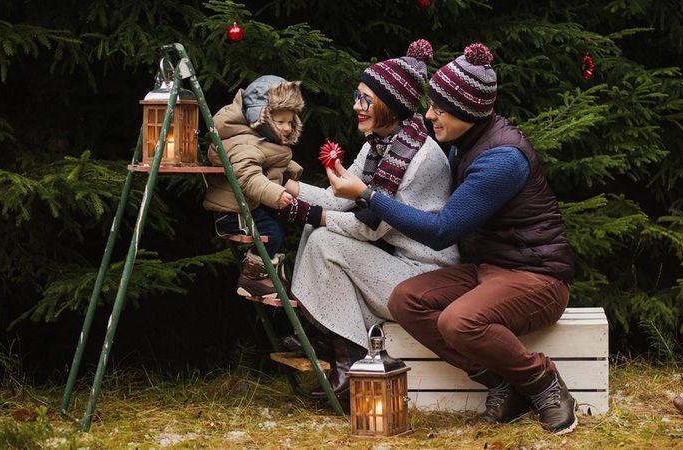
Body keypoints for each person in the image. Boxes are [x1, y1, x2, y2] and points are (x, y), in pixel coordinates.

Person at [325, 42, 578, 434]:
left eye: (438, 108)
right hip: (488, 270)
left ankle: (544, 384)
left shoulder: (502, 159)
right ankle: (501, 384)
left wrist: (367, 195)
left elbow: (442, 232)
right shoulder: (466, 143)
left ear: (468, 110)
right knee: (407, 299)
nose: (428, 115)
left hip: (537, 277)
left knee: (459, 322)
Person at [277, 39, 459, 400]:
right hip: (393, 262)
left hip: (424, 277)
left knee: (324, 236)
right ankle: (326, 336)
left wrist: (308, 212)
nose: (356, 106)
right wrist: (284, 188)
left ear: (390, 105)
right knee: (319, 227)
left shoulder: (418, 159)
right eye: (357, 96)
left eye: (365, 99)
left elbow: (370, 227)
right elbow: (337, 199)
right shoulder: (380, 144)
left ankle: (351, 360)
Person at [203, 75, 304, 299]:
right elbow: (247, 176)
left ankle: (266, 274)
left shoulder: (257, 135)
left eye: (291, 122)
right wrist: (276, 193)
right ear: (260, 117)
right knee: (271, 232)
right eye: (281, 122)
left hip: (249, 206)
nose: (287, 128)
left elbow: (269, 158)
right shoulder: (243, 143)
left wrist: (290, 168)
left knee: (278, 226)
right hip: (233, 213)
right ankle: (252, 277)